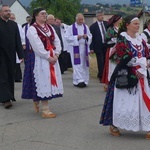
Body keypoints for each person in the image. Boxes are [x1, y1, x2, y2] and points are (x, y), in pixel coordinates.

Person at [100, 15, 150, 139]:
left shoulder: (141, 39)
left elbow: (147, 54)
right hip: (126, 74)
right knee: (123, 102)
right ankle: (114, 124)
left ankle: (147, 126)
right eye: (135, 24)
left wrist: (143, 68)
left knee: (143, 101)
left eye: (139, 24)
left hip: (141, 75)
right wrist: (140, 65)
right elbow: (124, 56)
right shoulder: (122, 38)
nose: (138, 26)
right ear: (127, 25)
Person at [22, 8, 63, 118]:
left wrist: (57, 54)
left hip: (52, 57)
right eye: (42, 14)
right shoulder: (32, 29)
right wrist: (48, 57)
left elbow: (57, 41)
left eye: (45, 14)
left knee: (48, 81)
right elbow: (37, 46)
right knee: (43, 80)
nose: (45, 15)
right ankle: (45, 110)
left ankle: (37, 101)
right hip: (38, 58)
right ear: (36, 16)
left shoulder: (50, 27)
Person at [0, 5, 23, 108]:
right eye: (6, 11)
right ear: (1, 13)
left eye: (9, 10)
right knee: (3, 76)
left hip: (11, 54)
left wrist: (21, 54)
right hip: (1, 55)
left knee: (10, 76)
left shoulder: (14, 25)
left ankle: (9, 96)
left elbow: (18, 41)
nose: (8, 12)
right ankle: (6, 99)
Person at [65, 13, 92, 87]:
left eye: (82, 19)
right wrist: (76, 37)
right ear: (76, 19)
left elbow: (90, 36)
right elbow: (67, 37)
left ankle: (84, 80)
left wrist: (87, 37)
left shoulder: (86, 27)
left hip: (84, 48)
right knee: (77, 64)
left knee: (84, 64)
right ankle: (80, 80)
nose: (81, 21)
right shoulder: (71, 27)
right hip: (75, 48)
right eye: (79, 19)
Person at [101, 14, 122, 91]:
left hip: (120, 50)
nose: (121, 20)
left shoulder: (121, 29)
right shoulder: (111, 29)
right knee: (111, 66)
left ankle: (117, 81)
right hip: (112, 49)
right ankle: (109, 83)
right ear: (115, 21)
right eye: (120, 19)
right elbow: (107, 40)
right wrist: (115, 40)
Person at [90, 10, 108, 82]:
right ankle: (101, 76)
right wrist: (91, 48)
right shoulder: (93, 27)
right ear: (97, 16)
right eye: (100, 15)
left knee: (105, 61)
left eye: (103, 15)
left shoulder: (107, 24)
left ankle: (105, 75)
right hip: (98, 46)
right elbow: (91, 38)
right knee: (100, 61)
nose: (102, 16)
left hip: (106, 45)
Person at [10, 13, 25, 82]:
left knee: (17, 62)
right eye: (11, 18)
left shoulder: (18, 26)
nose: (12, 20)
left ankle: (17, 77)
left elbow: (22, 36)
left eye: (13, 18)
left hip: (16, 46)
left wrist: (23, 44)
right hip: (8, 46)